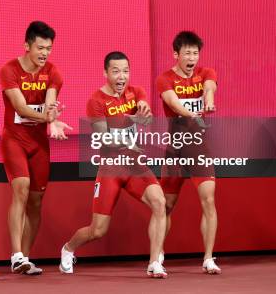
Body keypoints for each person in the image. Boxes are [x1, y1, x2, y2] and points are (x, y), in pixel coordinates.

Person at [59, 51, 167, 278]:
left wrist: (145, 114)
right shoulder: (95, 101)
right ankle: (68, 249)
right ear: (105, 73)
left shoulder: (136, 92)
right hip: (111, 168)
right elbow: (104, 137)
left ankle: (155, 262)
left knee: (159, 202)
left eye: (126, 71)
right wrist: (130, 131)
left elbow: (145, 114)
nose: (122, 76)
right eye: (116, 71)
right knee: (97, 230)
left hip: (135, 164)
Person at [0, 21, 71, 275]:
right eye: (40, 48)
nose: (44, 54)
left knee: (36, 201)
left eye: (48, 49)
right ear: (26, 46)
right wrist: (49, 119)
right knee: (21, 188)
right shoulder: (9, 70)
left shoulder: (53, 72)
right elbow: (20, 108)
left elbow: (50, 102)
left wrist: (52, 116)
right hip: (14, 140)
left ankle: (26, 258)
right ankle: (16, 255)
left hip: (39, 144)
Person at [156, 31, 221, 274]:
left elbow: (209, 86)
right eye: (187, 53)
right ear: (176, 55)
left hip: (199, 149)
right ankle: (158, 252)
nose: (192, 58)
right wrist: (190, 113)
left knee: (209, 201)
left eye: (195, 53)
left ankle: (208, 258)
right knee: (166, 204)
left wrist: (209, 97)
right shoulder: (164, 79)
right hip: (176, 149)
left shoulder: (206, 73)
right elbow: (173, 102)